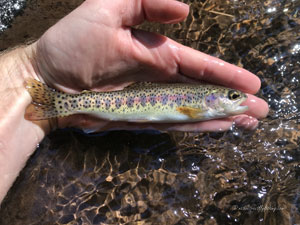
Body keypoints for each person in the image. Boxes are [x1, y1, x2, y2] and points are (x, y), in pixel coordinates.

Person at [0, 0, 268, 204]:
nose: (238, 100)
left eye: (235, 97)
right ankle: (59, 104)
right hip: (117, 104)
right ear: (213, 99)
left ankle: (57, 103)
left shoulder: (202, 107)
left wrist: (31, 69)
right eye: (233, 96)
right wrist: (35, 70)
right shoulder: (199, 107)